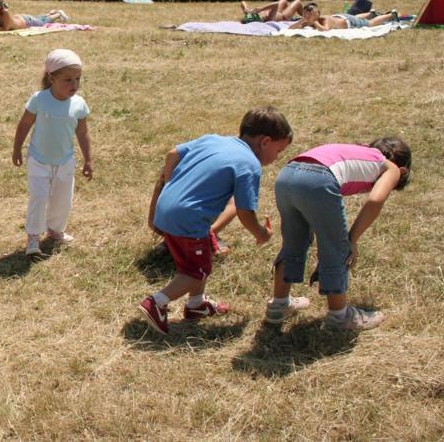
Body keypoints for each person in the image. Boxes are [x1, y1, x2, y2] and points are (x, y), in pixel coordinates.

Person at [139, 106, 294, 335]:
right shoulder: (249, 164)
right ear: (265, 141)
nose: (277, 157)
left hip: (164, 209)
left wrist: (172, 185)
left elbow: (173, 153)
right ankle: (156, 302)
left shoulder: (213, 139)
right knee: (196, 271)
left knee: (199, 257)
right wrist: (261, 234)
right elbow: (244, 212)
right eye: (279, 150)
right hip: (188, 218)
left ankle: (196, 305)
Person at [266, 137, 412, 331]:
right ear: (403, 171)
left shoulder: (359, 151)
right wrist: (352, 239)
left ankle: (279, 305)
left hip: (287, 175)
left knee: (293, 243)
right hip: (319, 178)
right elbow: (375, 201)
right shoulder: (392, 168)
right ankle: (340, 316)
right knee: (335, 248)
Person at [12, 49, 93, 255]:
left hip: (65, 161)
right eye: (68, 80)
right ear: (52, 78)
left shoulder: (79, 104)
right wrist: (17, 149)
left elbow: (82, 133)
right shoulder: (39, 99)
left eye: (77, 79)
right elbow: (24, 124)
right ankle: (33, 237)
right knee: (38, 197)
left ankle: (56, 230)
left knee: (62, 199)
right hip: (39, 160)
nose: (74, 85)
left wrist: (88, 160)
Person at [290, 3, 398, 30]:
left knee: (369, 24)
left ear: (316, 15)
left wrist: (314, 22)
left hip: (348, 22)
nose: (306, 17)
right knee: (355, 16)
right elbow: (290, 28)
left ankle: (391, 14)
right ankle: (371, 13)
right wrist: (300, 22)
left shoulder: (324, 20)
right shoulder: (307, 20)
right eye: (305, 15)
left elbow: (325, 30)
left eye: (309, 16)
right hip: (341, 17)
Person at [0, 0, 69, 31]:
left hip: (26, 21)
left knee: (43, 22)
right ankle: (50, 13)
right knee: (38, 18)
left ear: (1, 5)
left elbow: (5, 29)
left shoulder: (5, 13)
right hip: (21, 18)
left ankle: (58, 13)